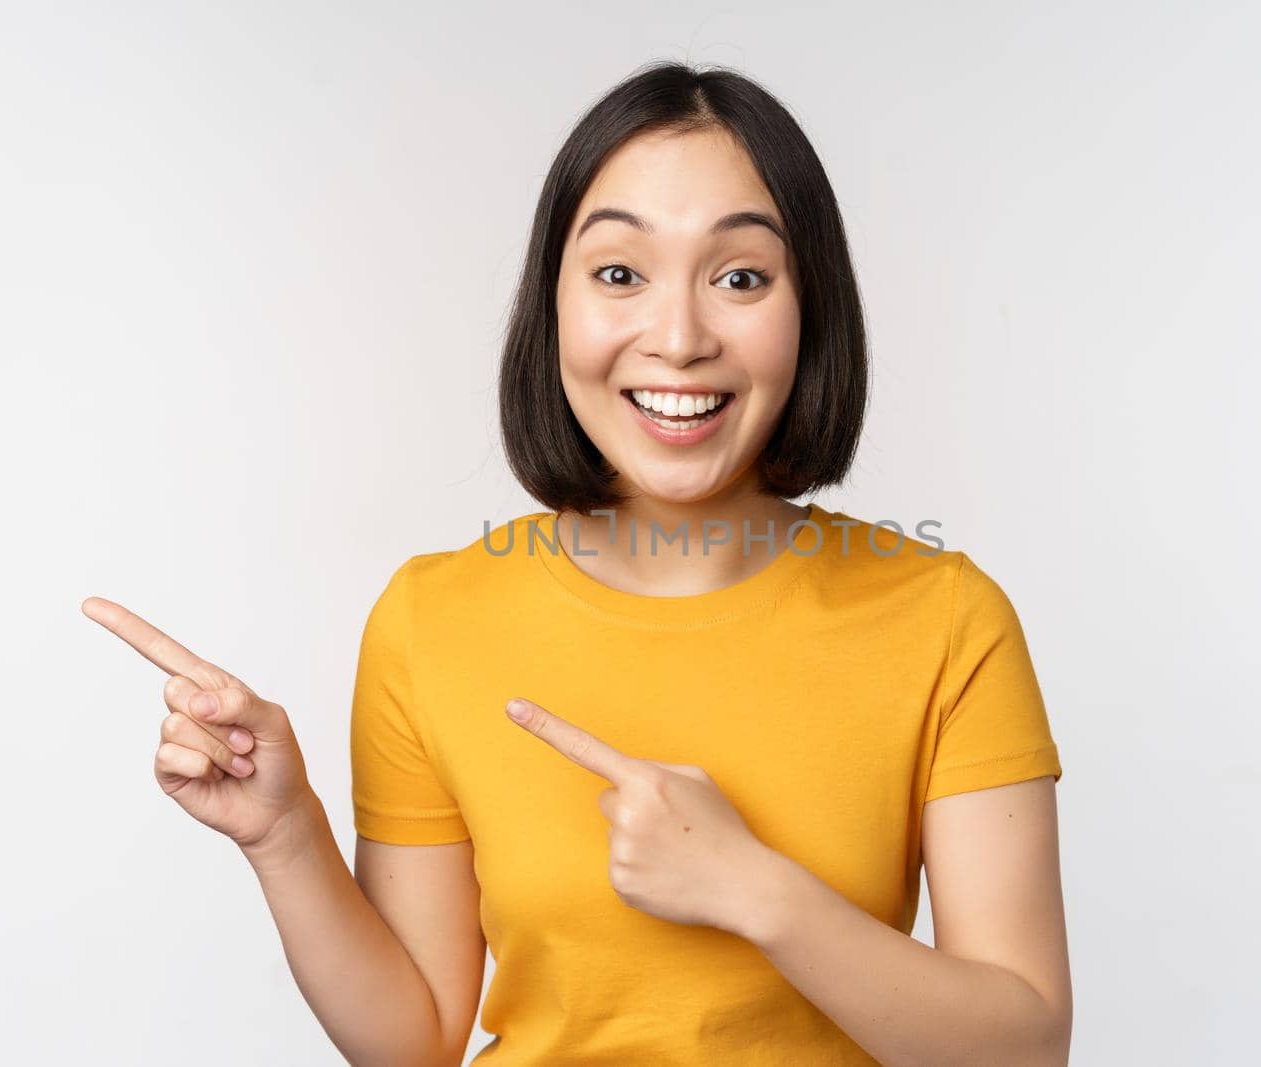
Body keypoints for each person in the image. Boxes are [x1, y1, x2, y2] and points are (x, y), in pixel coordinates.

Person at [83, 60, 1071, 1066]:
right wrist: (285, 835)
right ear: (552, 305)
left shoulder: (944, 616)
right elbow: (413, 1039)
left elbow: (1024, 1049)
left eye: (740, 277)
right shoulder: (433, 619)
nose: (679, 338)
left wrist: (753, 890)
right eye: (618, 273)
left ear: (809, 305)